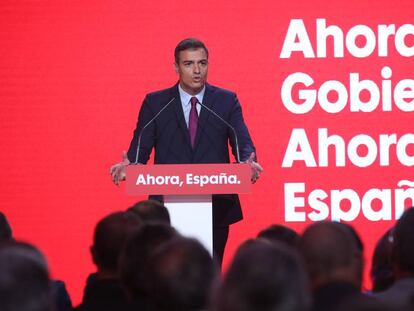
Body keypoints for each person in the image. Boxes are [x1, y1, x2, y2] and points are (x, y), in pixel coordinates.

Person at [110, 38, 263, 264]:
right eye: (189, 64)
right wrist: (130, 166)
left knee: (210, 273)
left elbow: (243, 142)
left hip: (216, 206)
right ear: (176, 67)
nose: (197, 70)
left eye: (202, 63)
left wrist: (247, 163)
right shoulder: (156, 102)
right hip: (166, 208)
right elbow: (139, 151)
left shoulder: (226, 101)